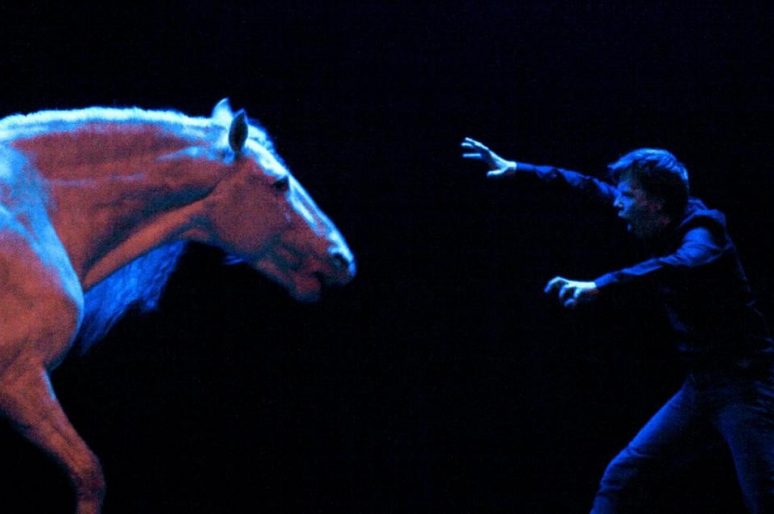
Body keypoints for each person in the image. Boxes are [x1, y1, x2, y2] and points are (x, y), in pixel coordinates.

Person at [461, 137, 774, 513]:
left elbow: (679, 264)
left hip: (745, 388)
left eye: (626, 195)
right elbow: (588, 186)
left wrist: (599, 285)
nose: (617, 204)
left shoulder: (704, 232)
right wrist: (517, 168)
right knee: (622, 477)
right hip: (700, 387)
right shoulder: (656, 212)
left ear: (654, 202)